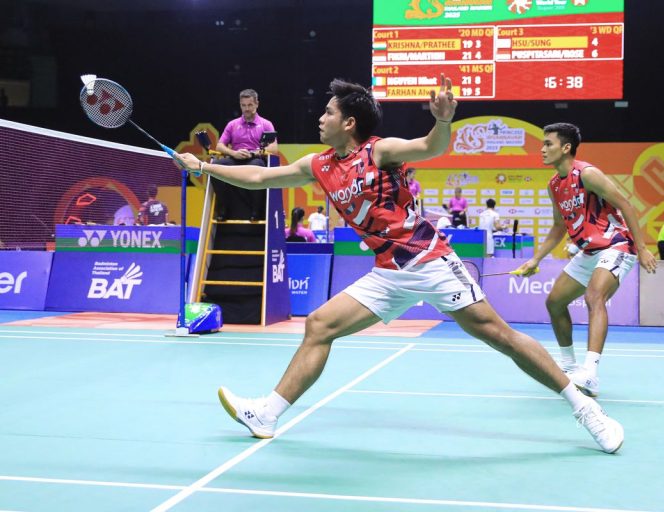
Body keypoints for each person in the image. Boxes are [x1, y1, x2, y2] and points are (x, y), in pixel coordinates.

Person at [176, 75, 624, 453]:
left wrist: (443, 121)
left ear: (349, 123)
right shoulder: (320, 164)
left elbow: (429, 146)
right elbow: (259, 176)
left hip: (428, 260)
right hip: (388, 272)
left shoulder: (379, 151)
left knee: (501, 337)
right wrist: (205, 167)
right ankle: (267, 413)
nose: (320, 118)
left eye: (328, 113)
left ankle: (586, 409)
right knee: (320, 325)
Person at [516, 123, 656, 398]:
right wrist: (535, 259)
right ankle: (569, 368)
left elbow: (625, 204)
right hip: (589, 251)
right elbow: (559, 227)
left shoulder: (587, 174)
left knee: (594, 296)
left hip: (616, 244)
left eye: (548, 144)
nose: (542, 149)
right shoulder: (554, 185)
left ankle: (590, 374)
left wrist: (642, 248)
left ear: (566, 147)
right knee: (554, 302)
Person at [213, 88, 278, 221]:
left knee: (257, 166)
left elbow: (274, 148)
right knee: (215, 166)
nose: (246, 109)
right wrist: (233, 153)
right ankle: (223, 209)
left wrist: (254, 153)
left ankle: (256, 211)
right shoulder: (232, 124)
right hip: (235, 158)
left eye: (250, 105)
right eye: (243, 105)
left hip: (255, 159)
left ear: (257, 104)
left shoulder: (266, 124)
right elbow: (219, 146)